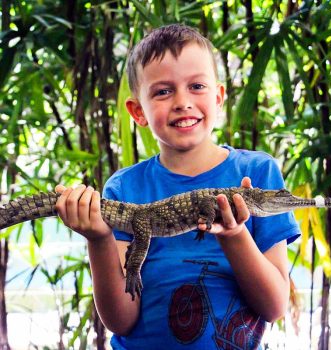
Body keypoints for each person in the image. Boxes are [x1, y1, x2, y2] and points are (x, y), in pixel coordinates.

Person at [55, 24, 300, 349]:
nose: (182, 101)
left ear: (219, 97)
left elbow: (274, 307)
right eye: (163, 91)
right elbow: (121, 320)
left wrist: (235, 234)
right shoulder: (124, 187)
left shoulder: (257, 172)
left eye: (196, 85)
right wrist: (99, 238)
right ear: (138, 111)